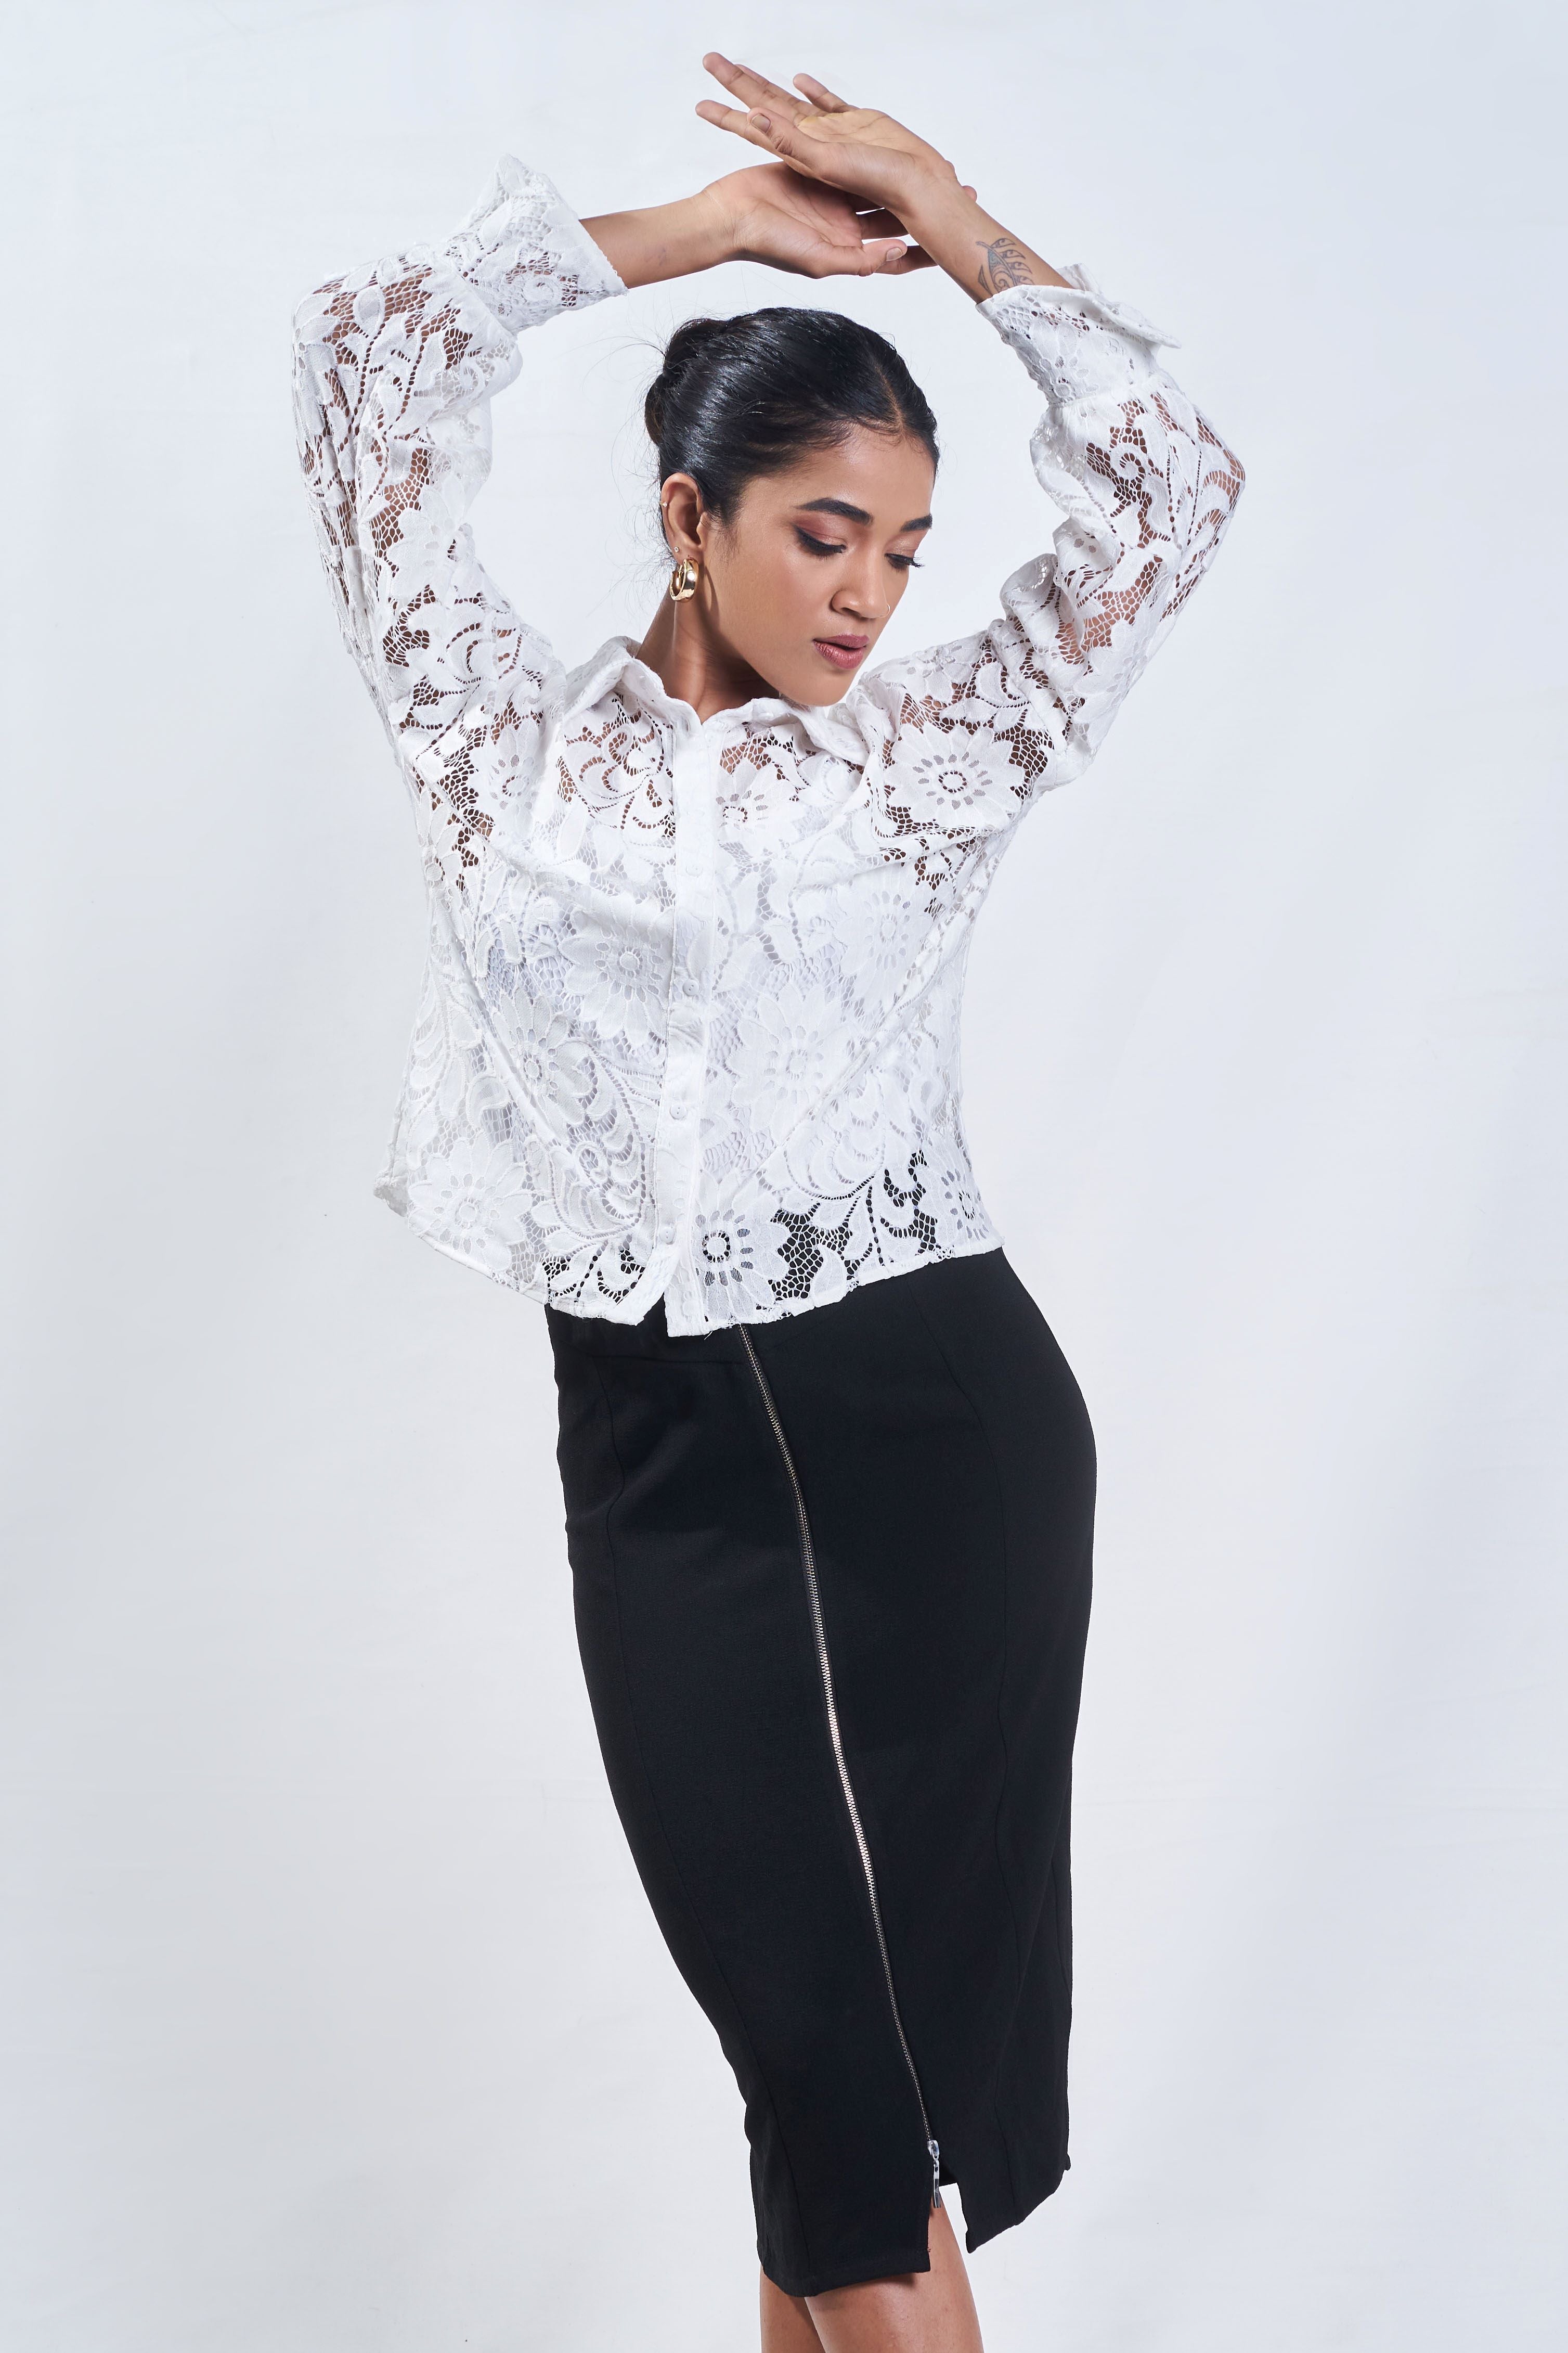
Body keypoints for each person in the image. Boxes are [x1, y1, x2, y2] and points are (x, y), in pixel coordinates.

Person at [292, 51, 1244, 2353]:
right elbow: (363, 363)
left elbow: (1171, 484)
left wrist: (959, 215)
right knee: (810, 2088)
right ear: (685, 513)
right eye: (826, 533)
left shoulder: (930, 761)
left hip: (933, 1431)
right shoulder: (490, 733)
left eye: (905, 548)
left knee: (861, 2126)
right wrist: (704, 229)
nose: (873, 597)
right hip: (656, 1467)